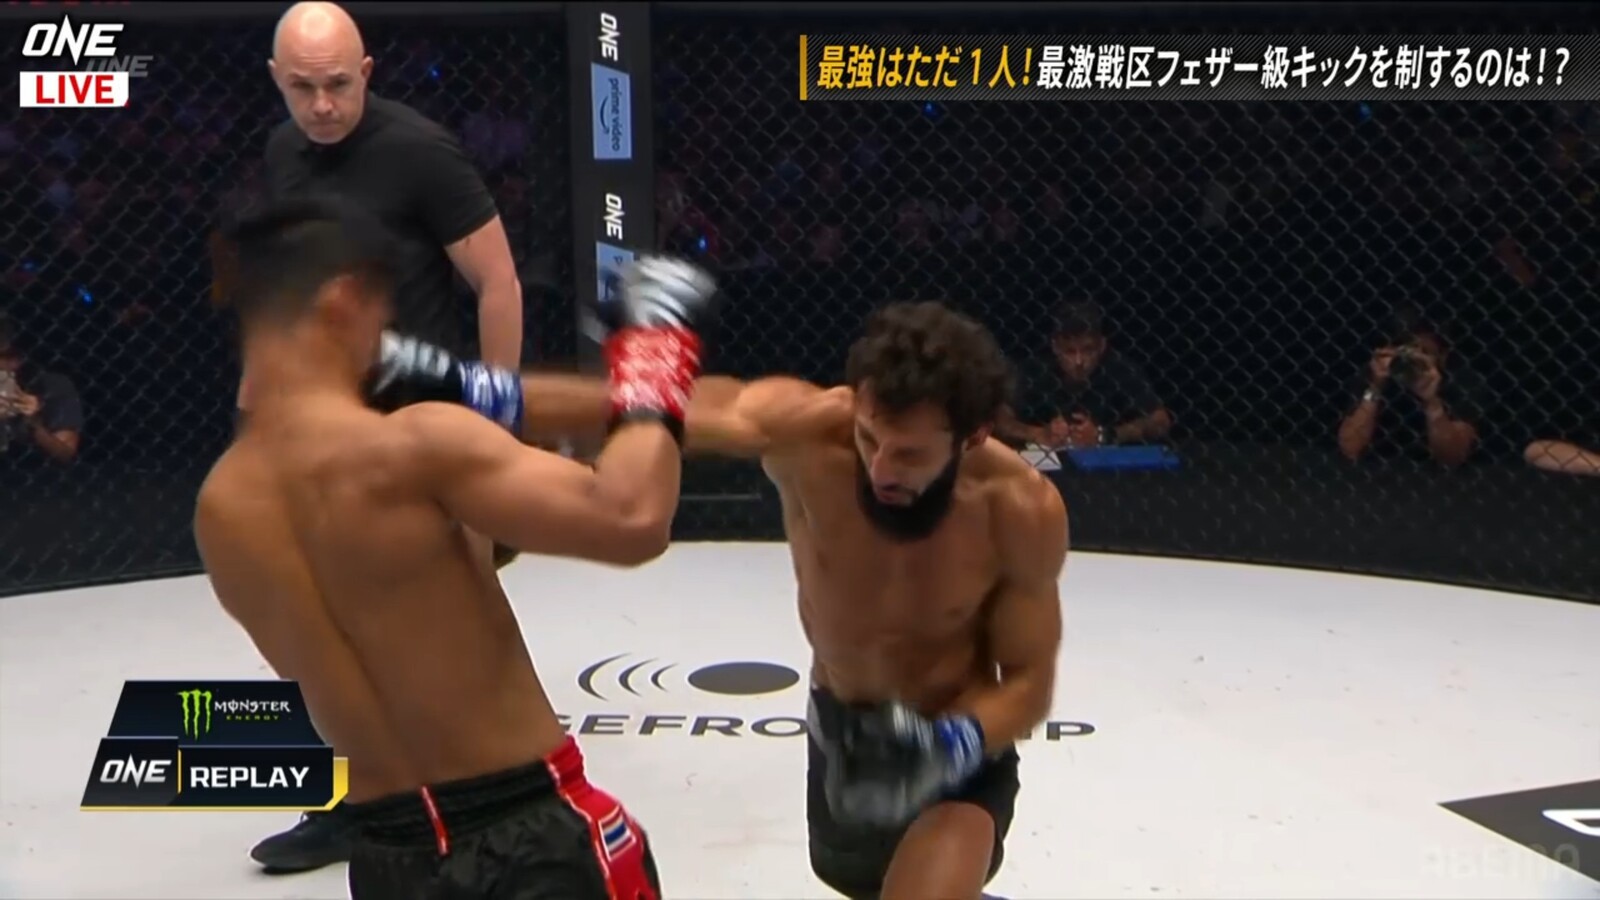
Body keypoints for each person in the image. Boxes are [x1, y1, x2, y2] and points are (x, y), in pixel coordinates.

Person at [404, 300, 1069, 899]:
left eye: (911, 454)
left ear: (973, 436)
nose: (881, 469)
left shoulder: (1018, 509)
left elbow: (1030, 682)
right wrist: (474, 391)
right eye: (870, 438)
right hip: (842, 732)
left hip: (958, 761)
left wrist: (947, 745)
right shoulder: (812, 436)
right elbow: (653, 405)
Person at [194, 195, 719, 898]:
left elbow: (381, 609)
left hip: (389, 856)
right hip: (528, 836)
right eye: (381, 316)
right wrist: (656, 354)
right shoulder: (413, 446)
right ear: (343, 301)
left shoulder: (221, 510)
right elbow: (633, 517)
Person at [248, 0, 522, 867]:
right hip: (327, 424)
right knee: (316, 614)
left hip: (420, 423)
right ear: (276, 80)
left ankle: (484, 787)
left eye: (338, 84)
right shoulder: (282, 151)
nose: (322, 105)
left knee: (444, 615)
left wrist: (498, 425)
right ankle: (354, 798)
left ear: (366, 72)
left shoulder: (419, 152)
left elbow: (499, 281)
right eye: (303, 88)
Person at [997, 300, 1172, 449]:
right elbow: (999, 418)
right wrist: (1039, 433)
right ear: (1055, 347)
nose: (1079, 361)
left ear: (1102, 346)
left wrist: (1104, 435)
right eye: (1070, 351)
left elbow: (1160, 420)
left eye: (1088, 350)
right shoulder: (1034, 369)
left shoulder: (1120, 368)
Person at [1336, 306, 1484, 467]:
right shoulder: (1378, 373)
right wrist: (1375, 387)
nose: (1415, 360)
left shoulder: (1463, 381)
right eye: (1408, 351)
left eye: (1425, 352)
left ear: (1443, 356)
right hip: (1377, 470)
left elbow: (1452, 457)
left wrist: (1432, 402)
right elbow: (1350, 448)